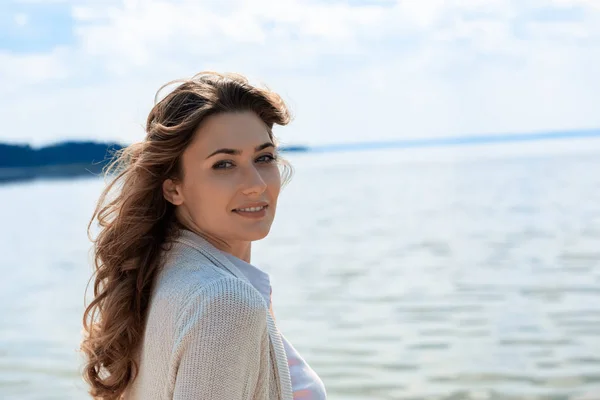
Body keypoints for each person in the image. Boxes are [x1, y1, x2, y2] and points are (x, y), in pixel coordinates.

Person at [80, 71, 327, 399]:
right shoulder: (225, 301)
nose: (255, 183)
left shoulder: (163, 276)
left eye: (264, 158)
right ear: (174, 187)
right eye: (224, 164)